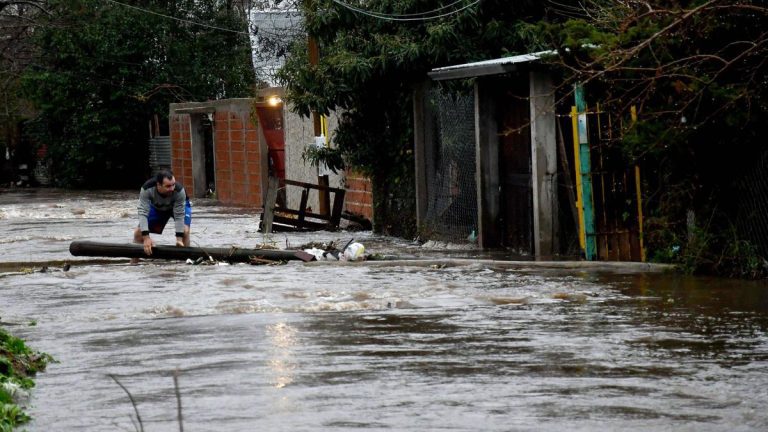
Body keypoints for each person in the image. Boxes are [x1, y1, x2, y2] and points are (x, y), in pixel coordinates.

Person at [132, 169, 192, 260]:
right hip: (158, 207)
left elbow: (179, 215)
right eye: (168, 186)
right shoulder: (146, 189)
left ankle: (185, 262)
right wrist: (146, 238)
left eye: (173, 185)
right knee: (138, 233)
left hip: (177, 206)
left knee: (185, 231)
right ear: (158, 185)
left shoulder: (179, 191)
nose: (172, 189)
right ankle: (133, 264)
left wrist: (179, 239)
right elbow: (142, 213)